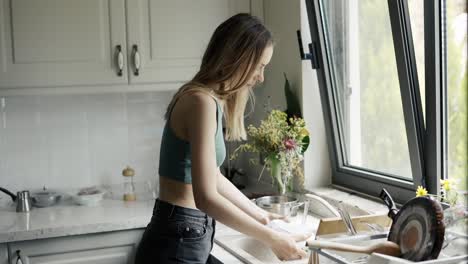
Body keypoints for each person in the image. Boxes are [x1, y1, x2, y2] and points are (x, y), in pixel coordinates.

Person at [135, 13, 309, 264]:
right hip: (178, 239)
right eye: (259, 66)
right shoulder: (200, 102)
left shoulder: (207, 99)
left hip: (185, 233)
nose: (261, 77)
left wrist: (262, 216)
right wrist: (270, 238)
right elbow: (205, 197)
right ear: (238, 58)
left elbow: (215, 177)